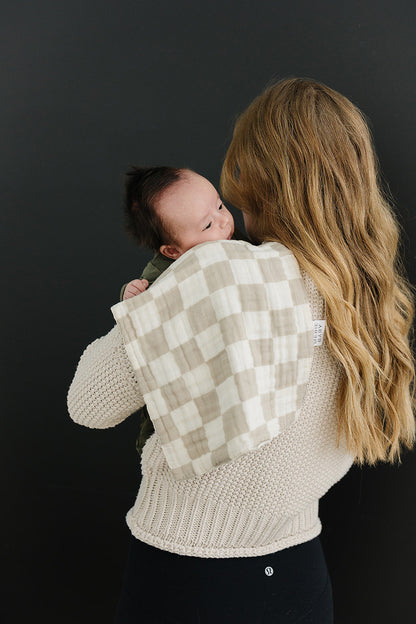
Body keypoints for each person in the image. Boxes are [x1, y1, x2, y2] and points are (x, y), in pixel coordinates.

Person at [67, 78, 416, 623]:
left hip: (192, 575)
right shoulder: (369, 293)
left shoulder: (217, 274)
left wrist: (145, 307)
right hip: (299, 575)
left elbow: (88, 405)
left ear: (255, 176)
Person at [117, 166, 250, 463]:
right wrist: (132, 295)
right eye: (207, 225)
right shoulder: (164, 271)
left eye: (219, 205)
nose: (224, 221)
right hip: (181, 365)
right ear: (173, 251)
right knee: (166, 407)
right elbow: (142, 309)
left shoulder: (231, 240)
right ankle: (151, 442)